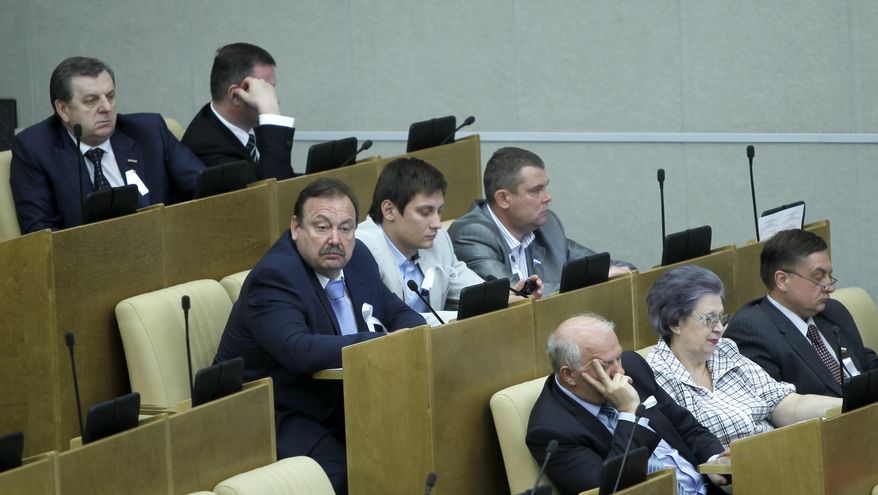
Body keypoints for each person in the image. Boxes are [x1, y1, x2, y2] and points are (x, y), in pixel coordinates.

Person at [214, 178, 425, 494]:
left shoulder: (359, 259)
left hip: (339, 399)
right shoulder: (275, 277)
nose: (335, 240)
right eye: (322, 227)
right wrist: (379, 343)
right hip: (272, 412)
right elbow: (299, 349)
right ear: (296, 227)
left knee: (415, 439)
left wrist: (408, 333)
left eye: (345, 228)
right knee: (342, 471)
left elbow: (396, 312)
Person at [526, 313, 728, 495]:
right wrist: (629, 414)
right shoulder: (550, 431)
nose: (620, 372)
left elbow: (686, 426)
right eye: (605, 366)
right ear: (569, 375)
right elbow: (611, 488)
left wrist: (714, 463)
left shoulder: (632, 366)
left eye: (618, 357)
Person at [645, 265, 841, 448]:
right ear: (675, 323)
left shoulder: (725, 350)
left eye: (721, 318)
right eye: (710, 319)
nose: (720, 328)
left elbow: (786, 404)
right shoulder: (657, 376)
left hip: (779, 453)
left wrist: (848, 407)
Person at [10, 56, 204, 233]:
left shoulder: (150, 132)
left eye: (110, 96)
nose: (107, 108)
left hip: (164, 248)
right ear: (63, 109)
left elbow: (206, 188)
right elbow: (41, 233)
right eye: (91, 101)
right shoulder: (35, 149)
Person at [356, 157, 540, 324]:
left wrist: (509, 297)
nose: (437, 223)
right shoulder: (361, 249)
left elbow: (469, 287)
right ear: (389, 210)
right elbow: (390, 319)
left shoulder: (438, 240)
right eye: (425, 212)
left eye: (439, 211)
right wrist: (464, 316)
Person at [448, 147, 633, 296]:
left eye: (546, 187)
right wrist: (594, 279)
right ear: (503, 198)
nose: (547, 197)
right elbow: (515, 296)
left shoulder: (546, 224)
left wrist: (621, 271)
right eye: (536, 190)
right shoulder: (472, 235)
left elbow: (595, 264)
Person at [725, 229, 878, 397]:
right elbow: (775, 407)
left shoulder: (833, 311)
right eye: (818, 277)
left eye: (829, 276)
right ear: (782, 280)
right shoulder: (752, 331)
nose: (830, 287)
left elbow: (866, 362)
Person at [182, 42, 295, 182]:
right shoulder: (205, 149)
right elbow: (270, 193)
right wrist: (271, 116)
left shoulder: (251, 127)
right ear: (236, 96)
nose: (274, 100)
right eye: (265, 90)